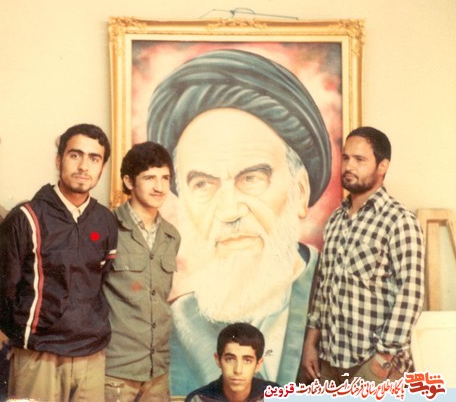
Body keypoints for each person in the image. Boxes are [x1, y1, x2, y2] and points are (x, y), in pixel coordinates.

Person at [147, 49, 333, 394]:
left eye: (251, 178)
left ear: (300, 192)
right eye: (203, 185)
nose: (229, 210)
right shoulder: (177, 326)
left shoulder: (334, 296)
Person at [0, 124, 118, 401]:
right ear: (59, 160)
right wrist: (29, 336)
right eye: (75, 155)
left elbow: (100, 281)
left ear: (102, 168)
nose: (84, 166)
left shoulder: (105, 221)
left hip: (91, 356)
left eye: (94, 159)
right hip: (38, 356)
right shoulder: (25, 218)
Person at [302, 126, 424, 385]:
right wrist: (311, 344)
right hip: (330, 362)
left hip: (374, 366)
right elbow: (323, 289)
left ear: (382, 166)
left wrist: (381, 360)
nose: (349, 166)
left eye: (359, 159)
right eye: (346, 158)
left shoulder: (398, 220)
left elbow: (410, 294)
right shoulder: (335, 220)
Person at [103, 141, 181, 400]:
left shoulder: (172, 236)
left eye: (165, 178)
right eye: (149, 178)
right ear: (129, 181)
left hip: (158, 370)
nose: (159, 187)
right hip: (115, 370)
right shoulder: (104, 228)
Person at [185, 323, 279, 402]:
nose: (238, 370)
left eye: (247, 360)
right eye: (230, 359)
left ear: (258, 364)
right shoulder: (198, 399)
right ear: (218, 360)